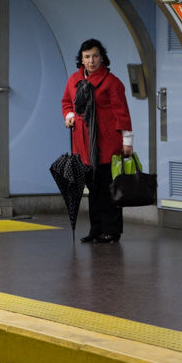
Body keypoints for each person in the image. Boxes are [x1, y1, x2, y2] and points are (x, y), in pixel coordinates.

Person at [61, 38, 133, 244]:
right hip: (83, 146)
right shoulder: (74, 80)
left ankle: (111, 231)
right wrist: (68, 116)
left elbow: (122, 114)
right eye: (87, 57)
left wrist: (127, 142)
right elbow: (66, 102)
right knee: (93, 190)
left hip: (107, 145)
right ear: (81, 60)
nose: (91, 61)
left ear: (102, 58)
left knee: (108, 189)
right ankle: (96, 230)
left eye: (95, 56)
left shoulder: (112, 82)